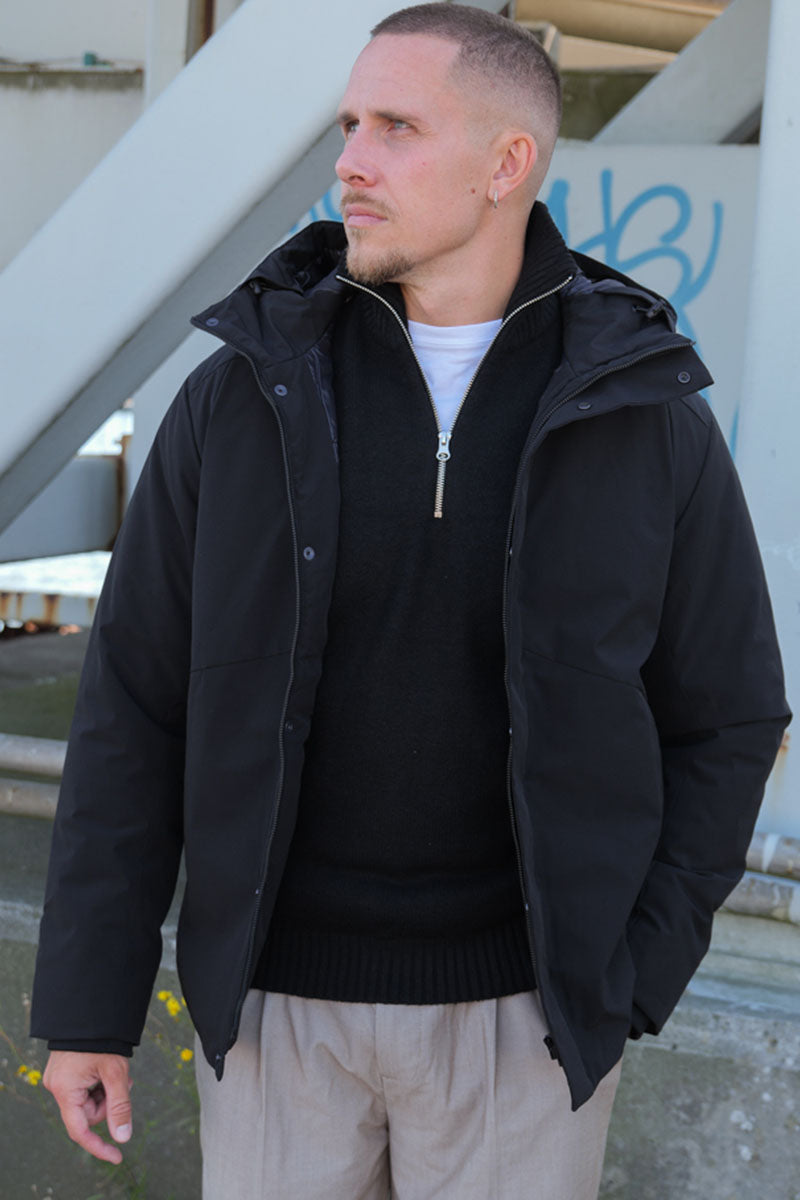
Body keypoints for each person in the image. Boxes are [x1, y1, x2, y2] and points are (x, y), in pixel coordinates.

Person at [32, 5, 789, 1198]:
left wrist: (627, 975)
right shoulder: (240, 399)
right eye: (348, 124)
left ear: (505, 163)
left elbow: (728, 714)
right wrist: (89, 1005)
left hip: (521, 1031)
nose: (350, 159)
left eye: (396, 126)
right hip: (274, 1018)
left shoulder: (641, 415)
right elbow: (134, 708)